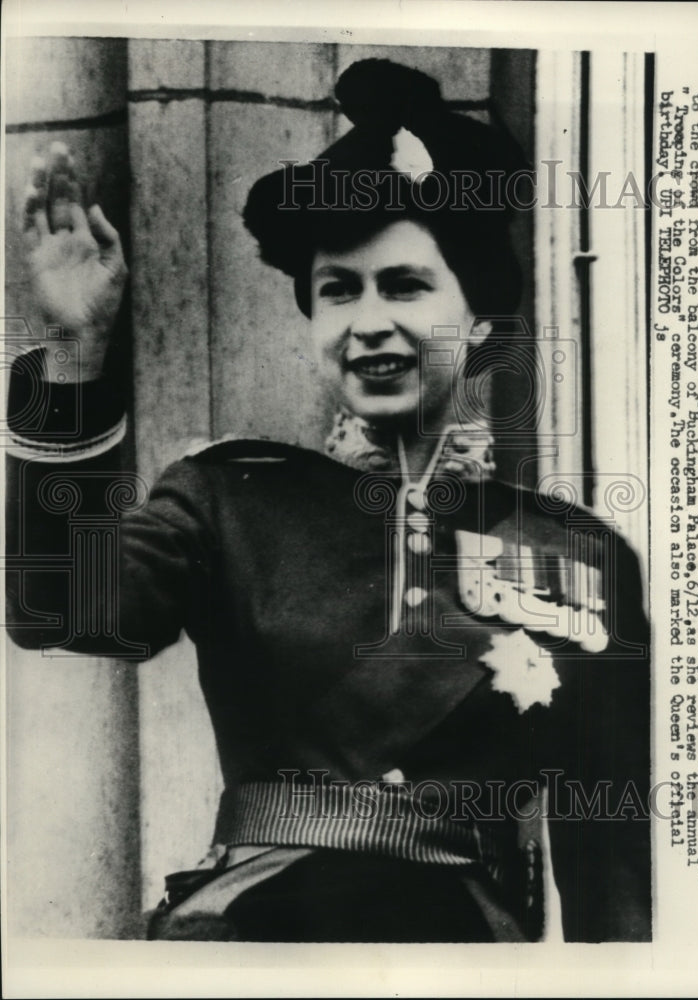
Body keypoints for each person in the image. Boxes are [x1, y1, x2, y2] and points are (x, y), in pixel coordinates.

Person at [6, 59, 650, 942]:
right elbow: (57, 610)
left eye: (406, 286)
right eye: (337, 291)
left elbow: (611, 862)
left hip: (464, 951)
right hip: (252, 936)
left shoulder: (579, 554)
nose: (367, 321)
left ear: (481, 320)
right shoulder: (229, 498)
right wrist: (75, 358)